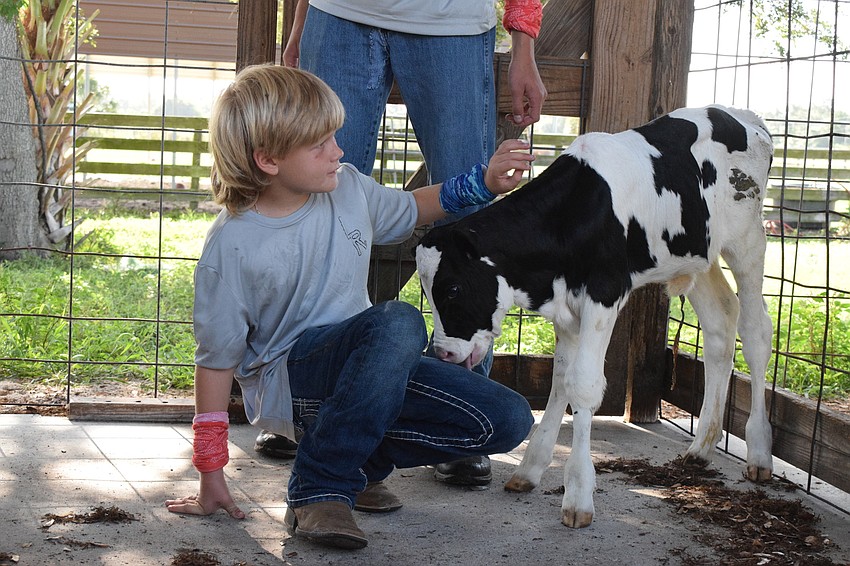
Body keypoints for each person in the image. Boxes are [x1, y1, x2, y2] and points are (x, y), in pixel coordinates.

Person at [165, 64, 535, 550]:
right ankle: (320, 486)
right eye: (320, 144)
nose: (338, 151)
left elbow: (414, 208)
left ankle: (358, 463)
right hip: (293, 383)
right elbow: (215, 362)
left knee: (507, 418)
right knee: (399, 321)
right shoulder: (232, 245)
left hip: (369, 370)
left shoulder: (349, 188)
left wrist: (483, 183)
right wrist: (210, 469)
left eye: (335, 137)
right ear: (268, 159)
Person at [255, 0, 548, 488]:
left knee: (470, 215)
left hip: (451, 23)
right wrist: (301, 22)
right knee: (312, 195)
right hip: (339, 16)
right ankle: (300, 407)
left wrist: (524, 46)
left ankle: (460, 414)